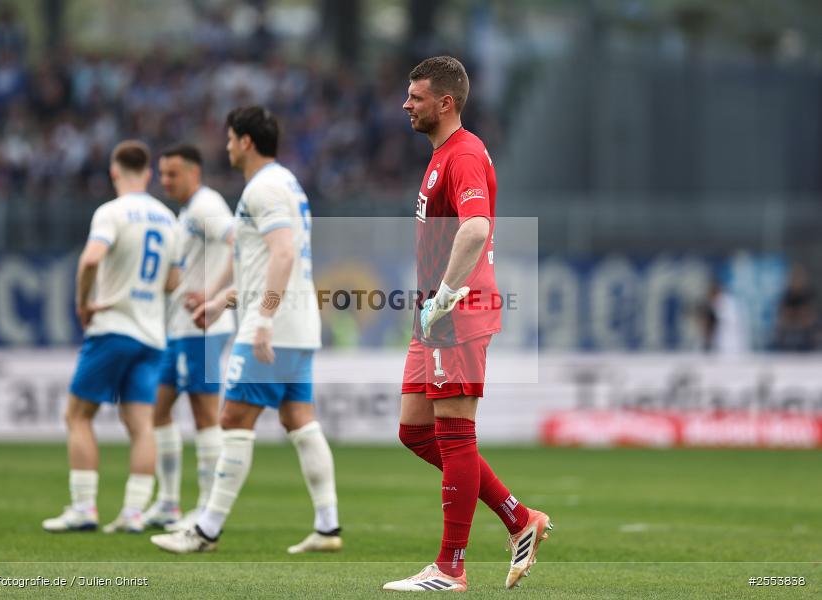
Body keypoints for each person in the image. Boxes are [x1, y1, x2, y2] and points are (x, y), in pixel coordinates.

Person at [382, 57, 552, 592]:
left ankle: (449, 567)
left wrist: (446, 297)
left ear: (446, 102)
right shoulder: (442, 157)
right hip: (435, 313)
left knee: (456, 436)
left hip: (457, 311)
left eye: (416, 96)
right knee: (414, 429)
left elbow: (476, 229)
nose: (406, 104)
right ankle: (518, 516)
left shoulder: (465, 155)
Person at [150, 106, 342, 555]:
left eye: (231, 138)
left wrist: (265, 319)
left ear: (247, 142)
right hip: (299, 324)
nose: (228, 146)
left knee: (232, 418)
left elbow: (282, 256)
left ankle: (206, 530)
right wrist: (221, 301)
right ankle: (328, 525)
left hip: (273, 324)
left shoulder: (265, 188)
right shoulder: (285, 184)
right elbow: (261, 264)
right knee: (299, 418)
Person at [42, 140, 181, 534]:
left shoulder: (112, 212)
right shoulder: (167, 217)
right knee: (141, 423)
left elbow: (90, 259)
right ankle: (134, 513)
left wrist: (83, 302)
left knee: (78, 414)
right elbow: (173, 281)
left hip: (113, 327)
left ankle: (84, 507)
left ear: (114, 172)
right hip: (152, 334)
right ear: (150, 174)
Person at [143, 144, 236, 532]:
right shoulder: (187, 214)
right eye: (162, 174)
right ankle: (167, 502)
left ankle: (204, 507)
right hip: (180, 329)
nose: (166, 181)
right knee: (159, 411)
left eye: (173, 174)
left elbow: (238, 243)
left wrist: (212, 295)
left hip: (203, 329)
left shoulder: (206, 205)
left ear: (194, 172)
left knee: (203, 415)